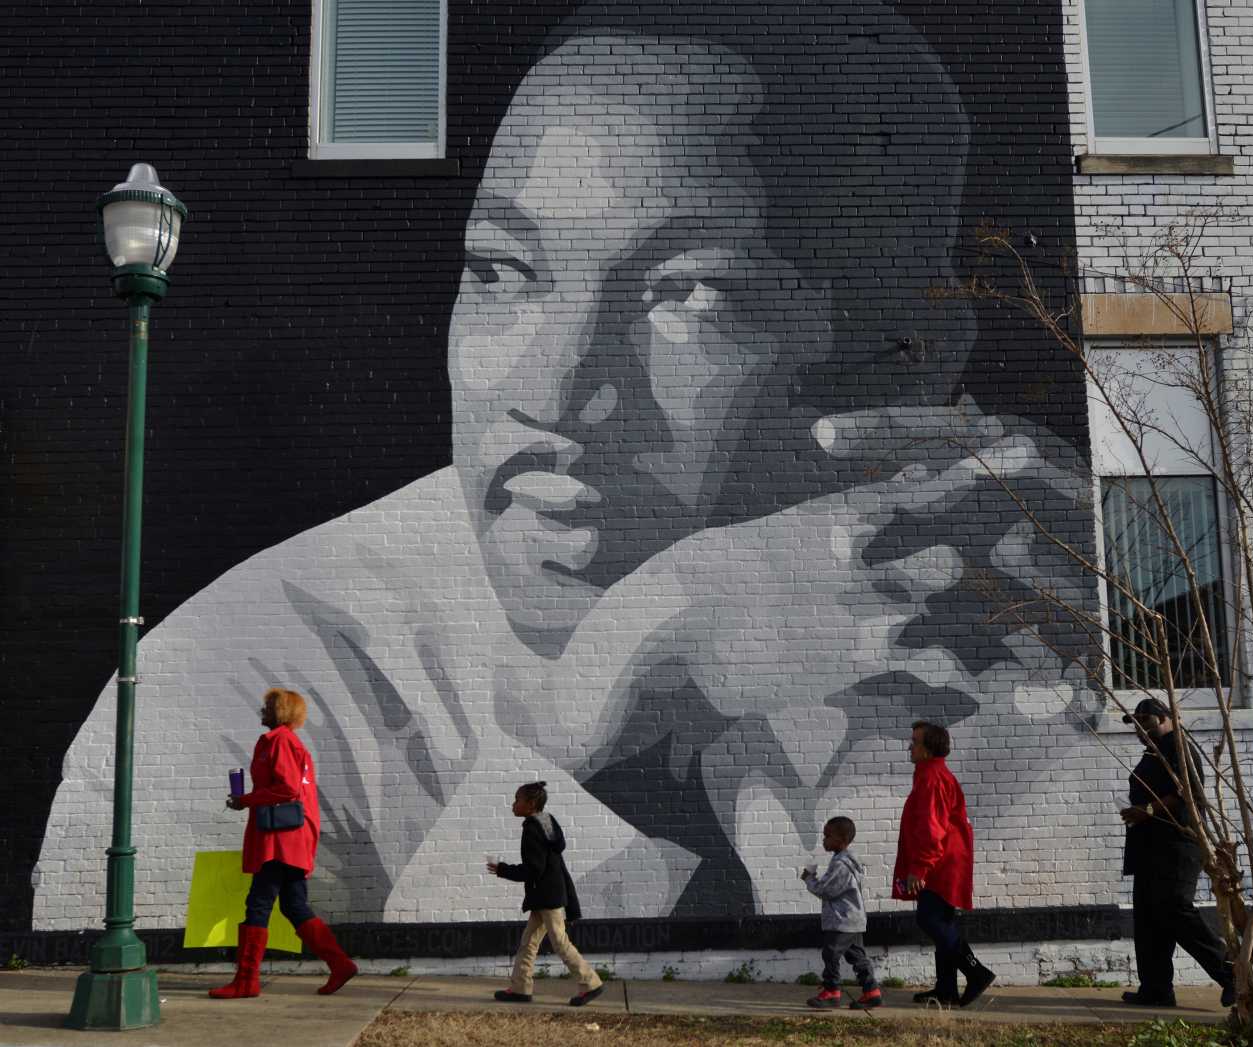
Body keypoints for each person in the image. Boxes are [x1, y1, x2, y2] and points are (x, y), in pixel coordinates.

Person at [36, 0, 1090, 931]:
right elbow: (195, 1004)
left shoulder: (987, 619)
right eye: (502, 270)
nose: (547, 387)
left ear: (905, 360)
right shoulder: (254, 673)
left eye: (684, 295)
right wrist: (604, 707)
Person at [209, 688, 358, 999]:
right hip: (292, 838)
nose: (262, 710)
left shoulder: (278, 741)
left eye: (267, 706)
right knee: (294, 905)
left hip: (278, 839)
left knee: (258, 904)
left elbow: (288, 788)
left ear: (280, 710)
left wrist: (246, 800)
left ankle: (246, 981)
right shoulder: (289, 742)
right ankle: (340, 964)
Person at [1118, 698, 1235, 1008]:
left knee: (1174, 909)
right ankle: (1155, 988)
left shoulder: (1177, 745)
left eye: (1147, 721)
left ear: (1166, 717)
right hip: (1149, 847)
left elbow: (1191, 793)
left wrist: (1149, 809)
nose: (1142, 729)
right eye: (1137, 723)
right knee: (1148, 918)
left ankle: (1231, 973)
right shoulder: (1155, 750)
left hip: (1177, 845)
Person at [895, 721, 993, 1008]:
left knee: (931, 919)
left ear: (929, 748)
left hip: (941, 863)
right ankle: (946, 988)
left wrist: (919, 868)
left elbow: (932, 829)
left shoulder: (932, 778)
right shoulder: (927, 774)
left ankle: (976, 971)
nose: (909, 746)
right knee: (941, 921)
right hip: (942, 859)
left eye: (915, 741)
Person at [488, 781, 606, 1007]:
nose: (513, 804)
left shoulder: (532, 829)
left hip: (546, 897)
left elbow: (534, 869)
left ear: (530, 804)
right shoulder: (547, 823)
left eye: (517, 800)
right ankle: (521, 988)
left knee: (560, 942)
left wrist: (503, 869)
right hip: (546, 894)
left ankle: (591, 983)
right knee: (528, 943)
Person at [800, 816, 881, 1010]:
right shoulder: (846, 861)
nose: (824, 840)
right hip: (853, 920)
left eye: (828, 836)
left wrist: (809, 878)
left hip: (841, 921)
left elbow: (825, 891)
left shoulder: (840, 864)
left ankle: (831, 992)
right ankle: (871, 992)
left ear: (842, 839)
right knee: (857, 957)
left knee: (831, 954)